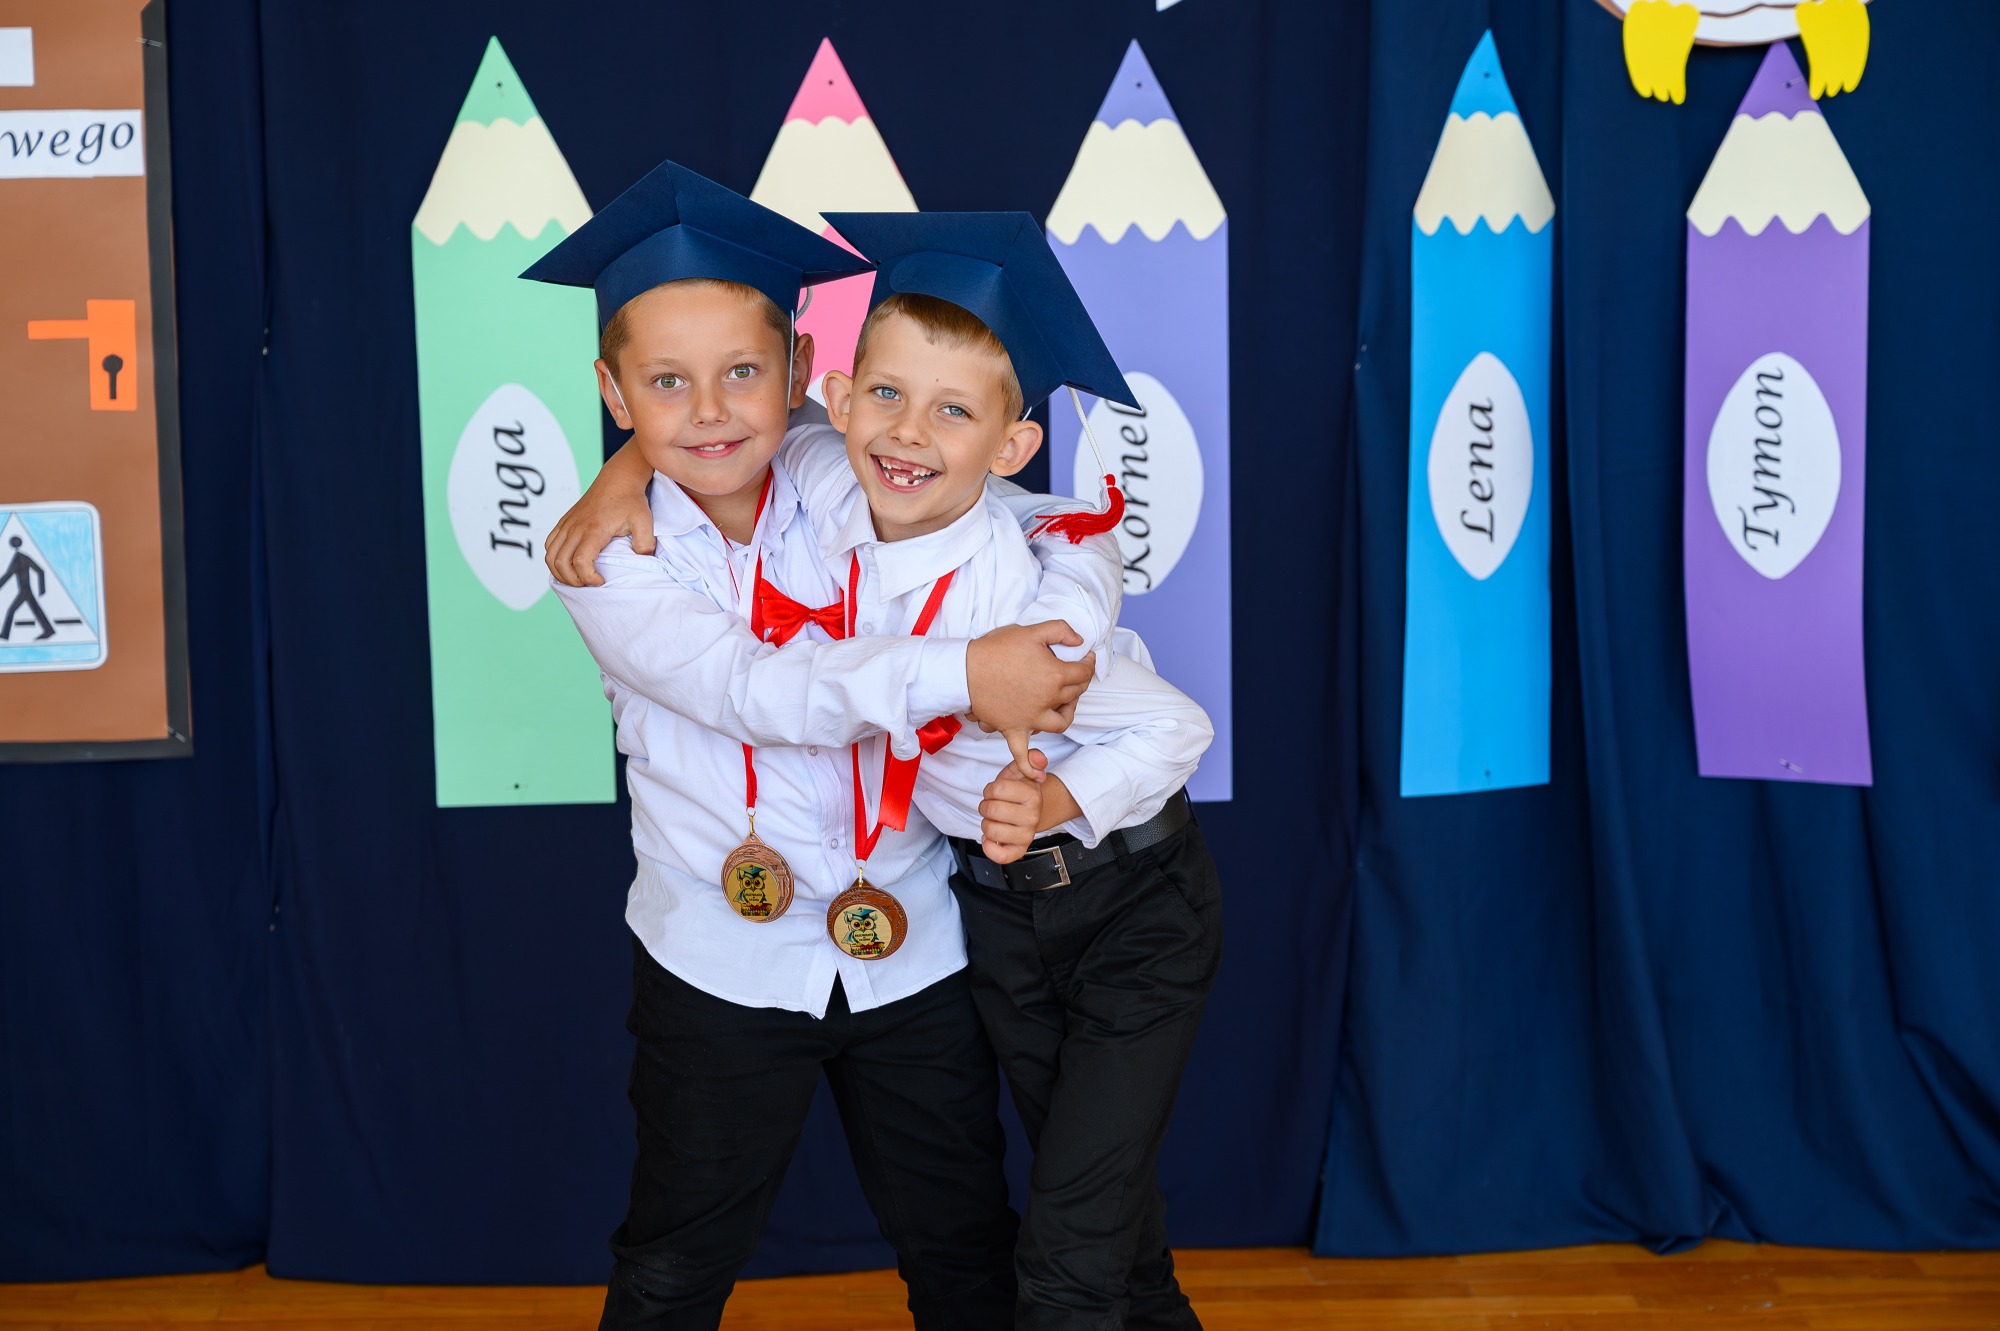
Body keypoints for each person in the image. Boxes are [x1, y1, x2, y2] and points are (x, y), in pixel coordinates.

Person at [557, 208, 1225, 1331]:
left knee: (965, 1249)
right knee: (675, 1261)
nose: (709, 408)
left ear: (799, 377)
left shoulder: (838, 468)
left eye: (741, 374)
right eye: (665, 384)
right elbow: (753, 689)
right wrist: (972, 672)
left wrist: (1060, 621)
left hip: (917, 940)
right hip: (724, 958)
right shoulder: (607, 556)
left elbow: (1037, 515)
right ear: (616, 395)